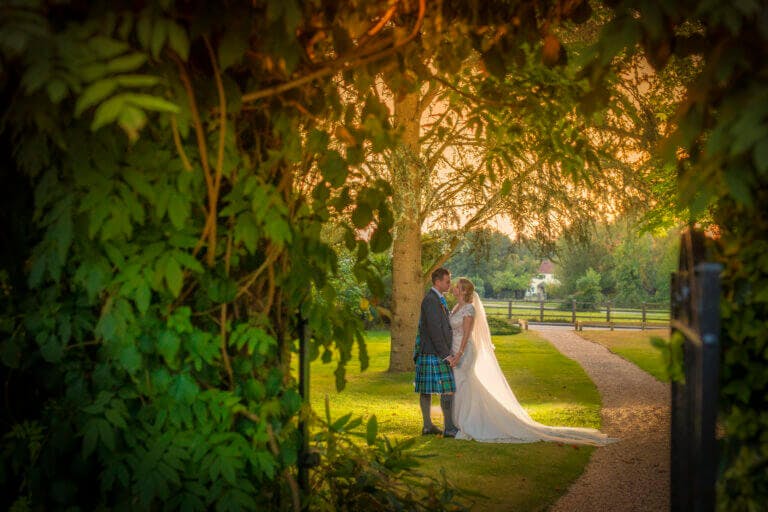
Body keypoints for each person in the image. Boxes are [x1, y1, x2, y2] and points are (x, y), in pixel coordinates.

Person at [448, 277, 616, 445]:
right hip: (455, 349)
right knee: (461, 384)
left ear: (463, 291)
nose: (454, 288)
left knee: (464, 384)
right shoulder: (457, 307)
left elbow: (467, 333)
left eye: (457, 286)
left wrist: (460, 353)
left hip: (465, 351)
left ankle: (469, 422)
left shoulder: (469, 309)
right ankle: (462, 420)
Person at [414, 268, 459, 437]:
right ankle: (447, 428)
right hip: (433, 352)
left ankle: (429, 427)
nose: (449, 284)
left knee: (427, 389)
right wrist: (445, 354)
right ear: (438, 282)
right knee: (446, 388)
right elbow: (435, 330)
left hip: (433, 351)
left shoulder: (438, 298)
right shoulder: (431, 300)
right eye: (447, 281)